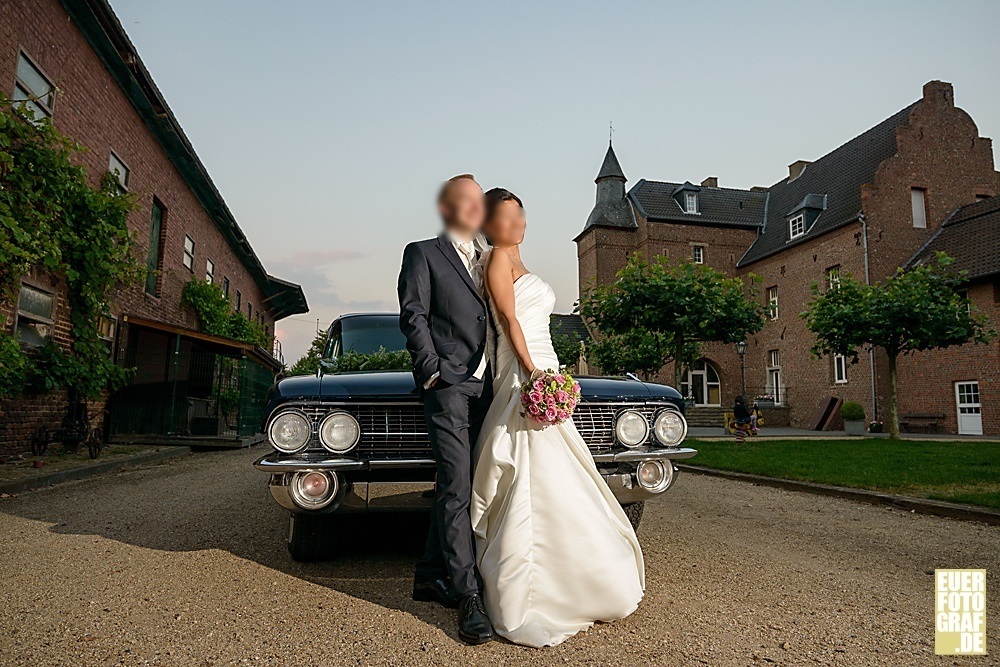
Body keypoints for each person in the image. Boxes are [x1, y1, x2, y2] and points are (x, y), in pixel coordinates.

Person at [470, 188, 644, 648]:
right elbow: (509, 321)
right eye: (502, 218)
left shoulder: (522, 263)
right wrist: (532, 376)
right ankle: (529, 586)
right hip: (523, 366)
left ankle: (584, 573)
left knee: (562, 463)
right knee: (527, 464)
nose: (513, 224)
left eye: (517, 215)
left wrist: (552, 374)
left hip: (546, 362)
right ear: (489, 225)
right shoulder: (495, 262)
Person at [397, 174, 494, 645]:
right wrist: (432, 369)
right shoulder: (422, 252)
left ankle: (430, 573)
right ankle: (468, 595)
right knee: (456, 484)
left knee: (472, 480)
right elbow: (412, 314)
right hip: (449, 386)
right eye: (466, 200)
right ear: (448, 206)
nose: (475, 208)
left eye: (480, 200)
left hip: (490, 386)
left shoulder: (489, 255)